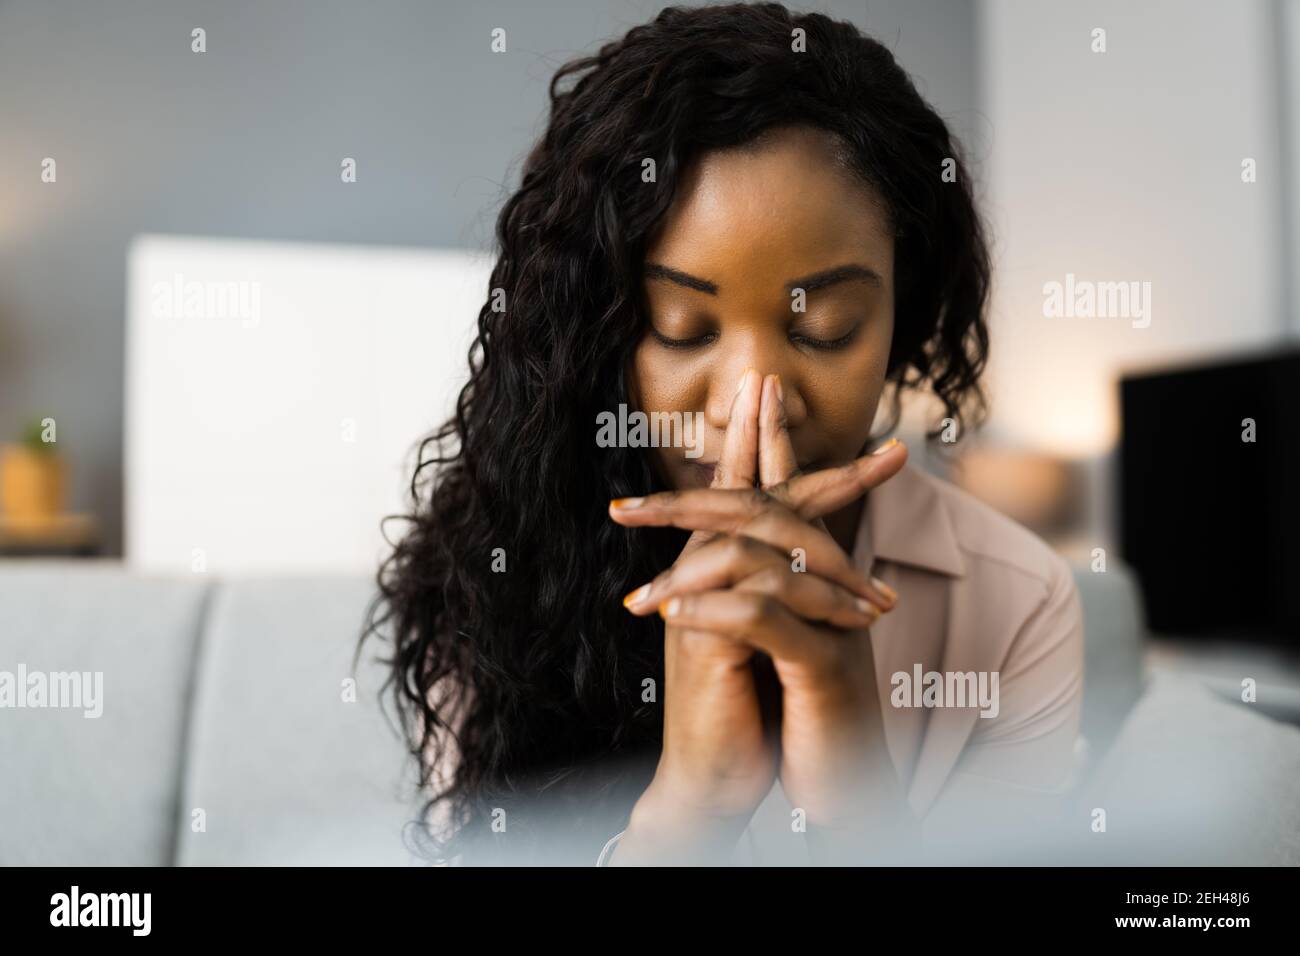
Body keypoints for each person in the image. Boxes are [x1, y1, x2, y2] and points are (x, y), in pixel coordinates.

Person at [363, 2, 1084, 866]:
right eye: (680, 327)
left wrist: (861, 801)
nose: (756, 403)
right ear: (600, 336)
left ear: (903, 318)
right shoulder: (496, 568)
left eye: (826, 328)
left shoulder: (1018, 604)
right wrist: (689, 808)